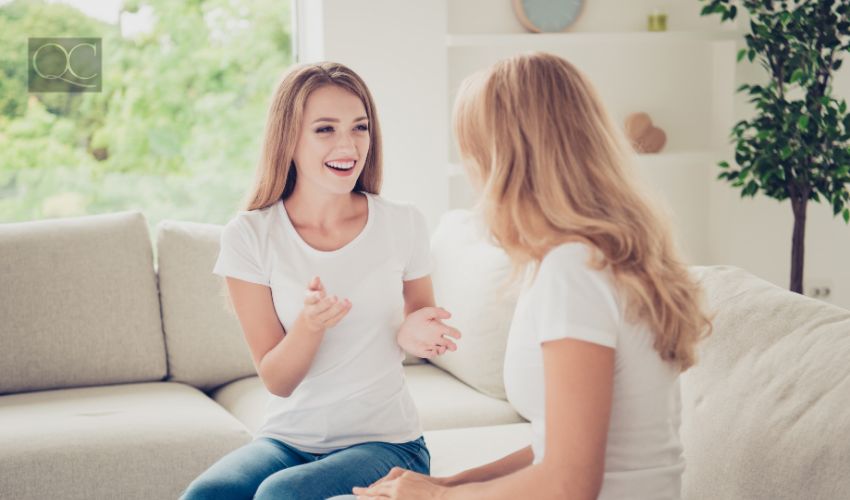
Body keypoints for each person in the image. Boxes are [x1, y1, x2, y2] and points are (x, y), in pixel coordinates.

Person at [351, 52, 712, 500]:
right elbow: (556, 447)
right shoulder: (604, 256)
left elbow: (568, 483)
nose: (471, 172)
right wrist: (448, 482)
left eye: (472, 152)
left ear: (504, 160)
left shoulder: (575, 270)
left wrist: (436, 499)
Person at [180, 61, 461, 500]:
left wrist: (416, 331)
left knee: (281, 495)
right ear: (287, 138)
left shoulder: (402, 223)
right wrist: (310, 327)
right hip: (288, 440)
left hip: (388, 443)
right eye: (325, 129)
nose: (348, 144)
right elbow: (278, 379)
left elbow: (419, 318)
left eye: (360, 127)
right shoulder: (250, 235)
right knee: (207, 495)